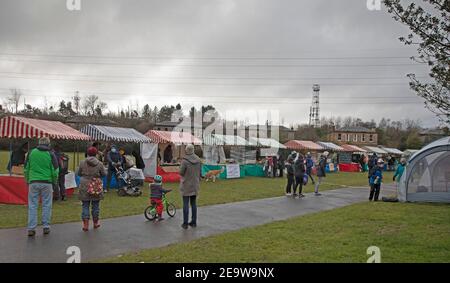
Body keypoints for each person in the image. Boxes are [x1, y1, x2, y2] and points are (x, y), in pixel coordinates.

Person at [24, 137, 59, 237]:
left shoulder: (31, 153)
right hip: (47, 182)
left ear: (39, 143)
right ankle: (46, 226)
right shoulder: (51, 154)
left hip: (33, 181)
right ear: (48, 144)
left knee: (32, 205)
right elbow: (55, 170)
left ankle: (31, 228)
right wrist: (54, 181)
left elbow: (26, 168)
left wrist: (27, 180)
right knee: (47, 204)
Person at [77, 146, 107, 231]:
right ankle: (95, 223)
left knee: (85, 205)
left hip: (84, 185)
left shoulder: (82, 162)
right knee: (96, 205)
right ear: (96, 154)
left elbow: (79, 173)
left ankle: (86, 225)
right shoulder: (100, 164)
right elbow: (104, 174)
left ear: (88, 153)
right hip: (95, 185)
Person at [179, 144, 201, 229]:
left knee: (185, 204)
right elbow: (200, 173)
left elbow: (181, 172)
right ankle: (194, 222)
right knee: (194, 204)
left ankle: (185, 223)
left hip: (186, 185)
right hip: (195, 184)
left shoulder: (185, 161)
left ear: (187, 150)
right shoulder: (199, 160)